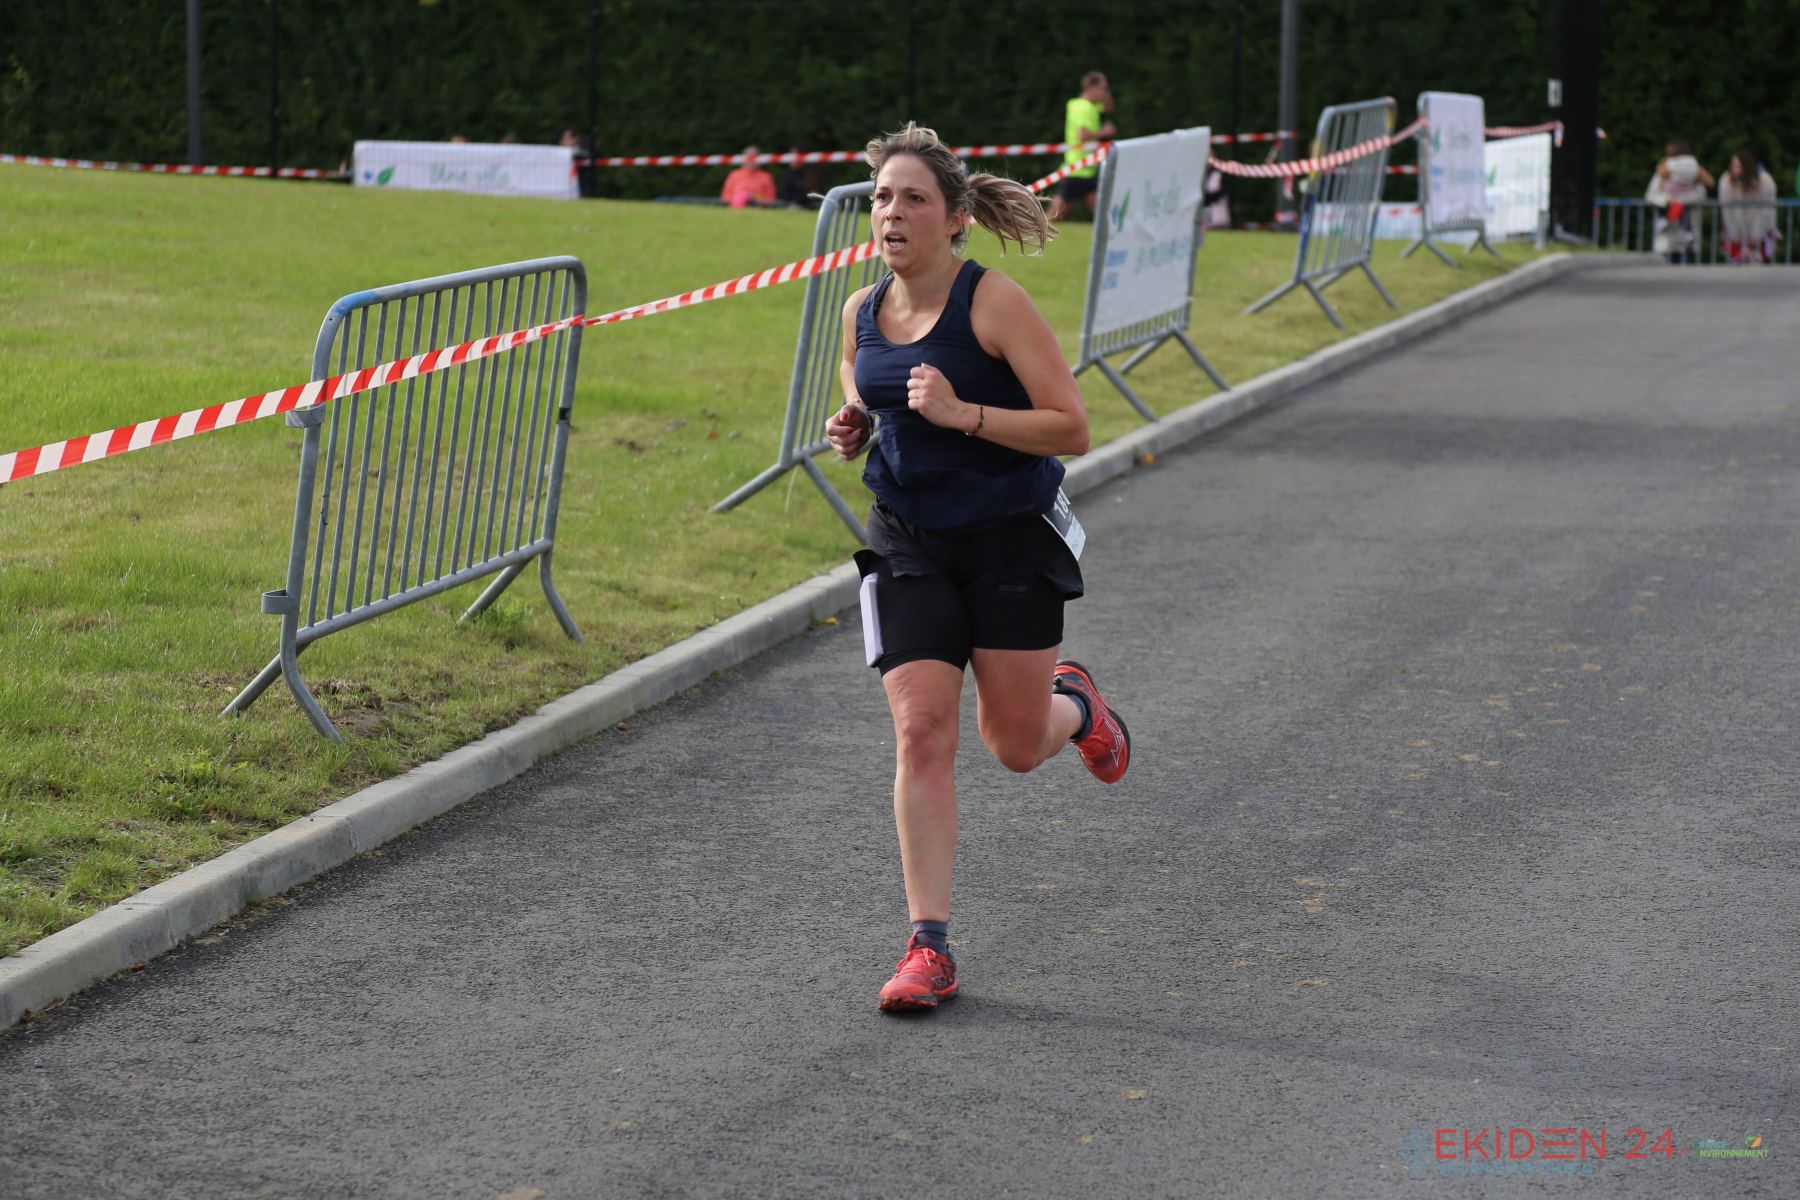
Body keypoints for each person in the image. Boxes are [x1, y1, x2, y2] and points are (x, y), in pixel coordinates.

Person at [823, 123, 1132, 1014]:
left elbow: (1071, 426)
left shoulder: (993, 303)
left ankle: (1078, 707)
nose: (892, 212)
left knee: (1014, 746)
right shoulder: (860, 308)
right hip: (906, 540)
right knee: (922, 733)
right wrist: (856, 420)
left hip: (1009, 538)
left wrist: (964, 416)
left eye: (913, 198)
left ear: (956, 218)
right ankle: (929, 947)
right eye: (882, 197)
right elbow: (858, 374)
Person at [1047, 71, 1116, 222]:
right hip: (1077, 169)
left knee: (1102, 216)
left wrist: (1105, 90)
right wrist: (1104, 132)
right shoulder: (1084, 108)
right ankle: (1035, 232)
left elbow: (1109, 107)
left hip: (1088, 169)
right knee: (1053, 217)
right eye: (1102, 88)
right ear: (1090, 88)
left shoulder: (1086, 106)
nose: (1104, 92)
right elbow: (1082, 135)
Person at [1645, 141, 1714, 263]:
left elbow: (1701, 193)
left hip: (1684, 237)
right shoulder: (1695, 170)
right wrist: (1669, 200)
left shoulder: (1665, 167)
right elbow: (1652, 194)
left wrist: (1677, 201)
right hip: (1670, 238)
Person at [1719, 150, 1778, 264]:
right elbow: (1727, 211)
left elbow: (1766, 212)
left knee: (1759, 265)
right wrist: (1734, 235)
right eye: (1733, 165)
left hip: (1759, 236)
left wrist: (1757, 236)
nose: (1734, 169)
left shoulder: (1764, 181)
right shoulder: (1727, 181)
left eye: (1738, 166)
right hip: (1737, 234)